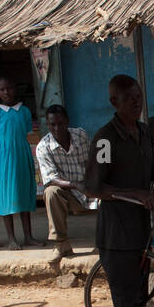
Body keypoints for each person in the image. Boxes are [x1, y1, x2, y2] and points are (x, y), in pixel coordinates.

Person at [83, 75, 154, 307]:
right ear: (114, 102)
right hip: (116, 233)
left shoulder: (145, 133)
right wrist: (132, 193)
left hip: (141, 230)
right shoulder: (106, 139)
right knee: (124, 293)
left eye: (139, 97)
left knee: (139, 292)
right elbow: (93, 187)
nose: (136, 103)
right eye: (129, 98)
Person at [0, 76, 42, 250]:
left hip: (22, 158)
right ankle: (11, 238)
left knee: (24, 196)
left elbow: (27, 135)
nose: (6, 92)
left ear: (15, 89)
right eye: (2, 89)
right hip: (3, 161)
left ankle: (28, 236)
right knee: (5, 197)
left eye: (9, 88)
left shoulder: (23, 111)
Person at [35, 104, 92, 259]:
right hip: (70, 194)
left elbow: (94, 161)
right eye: (52, 124)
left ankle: (106, 242)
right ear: (47, 125)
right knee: (51, 192)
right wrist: (75, 185)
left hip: (91, 189)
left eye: (60, 123)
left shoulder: (81, 135)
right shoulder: (43, 147)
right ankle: (61, 244)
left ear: (67, 122)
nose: (57, 128)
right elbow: (51, 178)